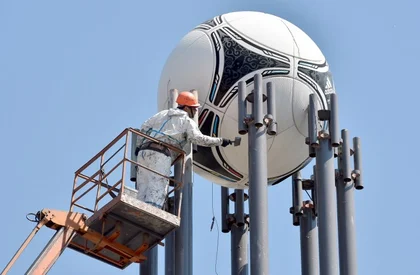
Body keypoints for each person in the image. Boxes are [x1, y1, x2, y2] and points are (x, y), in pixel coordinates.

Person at [135, 91, 232, 208]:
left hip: (143, 152)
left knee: (142, 187)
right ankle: (151, 213)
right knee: (157, 186)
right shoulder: (187, 121)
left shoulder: (162, 114)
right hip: (161, 154)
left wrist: (138, 146)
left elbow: (144, 126)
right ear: (186, 107)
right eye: (194, 108)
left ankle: (139, 209)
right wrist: (220, 141)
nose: (196, 111)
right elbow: (198, 139)